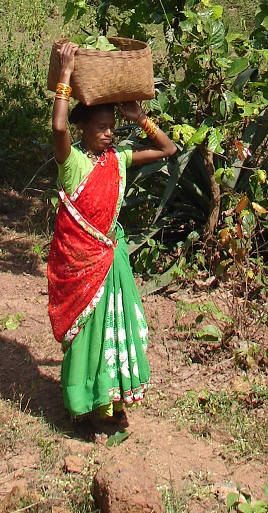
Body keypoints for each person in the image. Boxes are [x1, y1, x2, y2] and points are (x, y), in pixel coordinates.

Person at [48, 40, 177, 432]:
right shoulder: (71, 163)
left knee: (116, 326)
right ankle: (84, 401)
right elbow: (57, 125)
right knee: (86, 331)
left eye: (111, 128)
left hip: (111, 258)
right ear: (82, 128)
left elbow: (168, 150)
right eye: (100, 128)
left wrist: (141, 119)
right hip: (81, 261)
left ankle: (113, 399)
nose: (107, 134)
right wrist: (66, 76)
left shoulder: (118, 160)